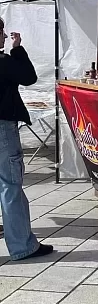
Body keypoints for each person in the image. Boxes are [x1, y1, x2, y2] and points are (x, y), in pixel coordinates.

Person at [0, 19, 53, 260]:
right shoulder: (4, 61)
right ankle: (22, 246)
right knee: (10, 186)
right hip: (3, 127)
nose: (3, 36)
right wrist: (18, 49)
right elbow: (29, 76)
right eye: (1, 32)